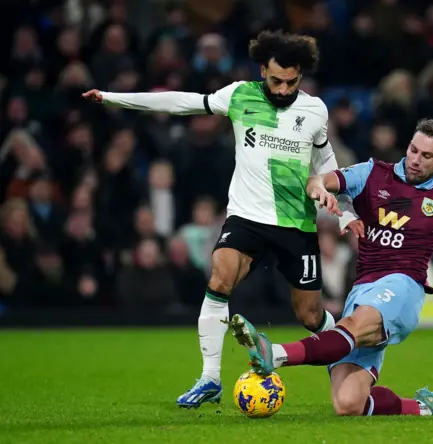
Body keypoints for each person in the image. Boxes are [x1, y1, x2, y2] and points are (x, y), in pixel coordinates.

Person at [83, 30, 361, 408]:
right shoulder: (238, 95)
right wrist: (115, 98)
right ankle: (210, 378)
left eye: (291, 82)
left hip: (296, 223)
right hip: (246, 216)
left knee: (310, 316)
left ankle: (346, 346)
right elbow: (181, 103)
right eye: (275, 80)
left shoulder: (314, 110)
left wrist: (344, 212)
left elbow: (326, 163)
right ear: (263, 69)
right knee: (219, 277)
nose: (282, 89)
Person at [228, 119, 433, 417]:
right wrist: (319, 191)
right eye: (414, 149)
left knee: (354, 325)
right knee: (348, 404)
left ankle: (277, 354)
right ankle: (423, 408)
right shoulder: (371, 174)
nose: (415, 159)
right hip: (362, 289)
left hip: (403, 287)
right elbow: (319, 180)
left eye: (427, 156)